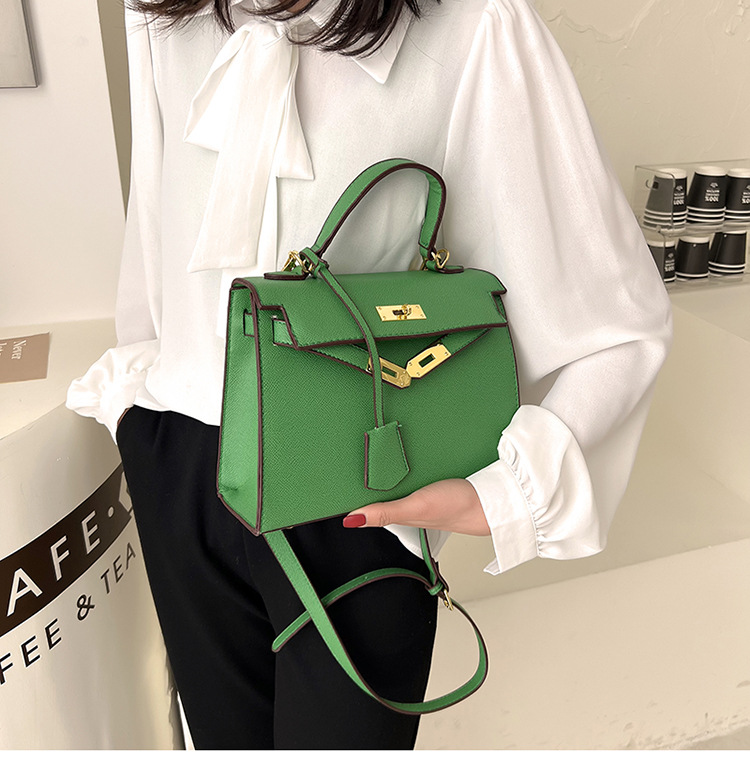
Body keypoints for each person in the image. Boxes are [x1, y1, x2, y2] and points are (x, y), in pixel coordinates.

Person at [67, 0, 672, 751]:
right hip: (181, 464)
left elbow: (617, 319)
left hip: (352, 494)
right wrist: (139, 413)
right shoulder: (163, 15)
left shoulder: (475, 25)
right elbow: (155, 226)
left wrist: (508, 491)